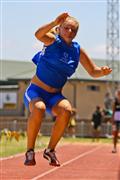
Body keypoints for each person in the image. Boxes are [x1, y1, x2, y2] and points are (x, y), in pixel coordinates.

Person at [23, 12, 112, 166]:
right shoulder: (52, 40)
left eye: (73, 30)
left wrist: (102, 72)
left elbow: (92, 71)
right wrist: (54, 22)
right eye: (67, 28)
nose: (70, 32)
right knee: (39, 108)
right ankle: (30, 150)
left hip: (54, 95)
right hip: (36, 91)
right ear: (60, 28)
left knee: (66, 111)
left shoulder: (77, 50)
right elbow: (38, 34)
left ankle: (50, 150)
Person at [111, 89, 120, 153]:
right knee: (116, 133)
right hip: (117, 117)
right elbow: (113, 110)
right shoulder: (115, 101)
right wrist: (113, 119)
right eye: (119, 93)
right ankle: (114, 147)